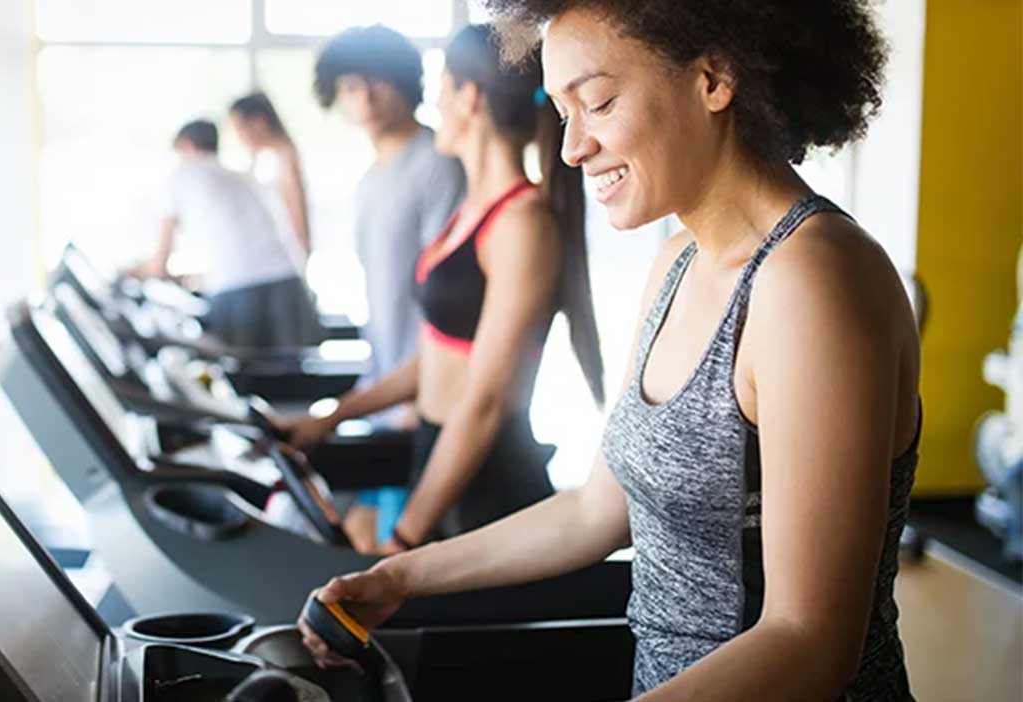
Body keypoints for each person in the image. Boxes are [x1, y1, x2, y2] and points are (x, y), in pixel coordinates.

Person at [300, 4, 921, 701]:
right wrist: (402, 576)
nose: (571, 148)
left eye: (597, 102)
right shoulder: (679, 263)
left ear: (714, 78)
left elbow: (809, 642)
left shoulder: (812, 282)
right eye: (564, 111)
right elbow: (594, 511)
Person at [287, 24, 605, 552]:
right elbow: (437, 357)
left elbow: (483, 399)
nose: (432, 102)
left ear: (469, 97)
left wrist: (406, 536)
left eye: (441, 88)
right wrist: (330, 419)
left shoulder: (522, 223)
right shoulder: (470, 210)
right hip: (436, 457)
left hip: (485, 484)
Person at [310, 25, 466, 548]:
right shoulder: (370, 178)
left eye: (377, 82)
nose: (365, 98)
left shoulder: (437, 165)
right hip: (386, 387)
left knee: (395, 555)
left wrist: (415, 393)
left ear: (405, 83)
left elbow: (451, 293)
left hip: (424, 397)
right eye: (351, 87)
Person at [134, 119, 321, 348]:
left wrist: (130, 273)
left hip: (240, 292)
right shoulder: (240, 176)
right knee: (294, 377)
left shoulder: (182, 174)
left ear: (187, 144)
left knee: (244, 379)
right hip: (289, 283)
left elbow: (159, 264)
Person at [229, 92, 312, 261]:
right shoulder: (264, 157)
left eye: (240, 128)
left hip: (285, 259)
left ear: (259, 123)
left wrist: (303, 255)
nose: (239, 136)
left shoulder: (282, 157)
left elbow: (296, 209)